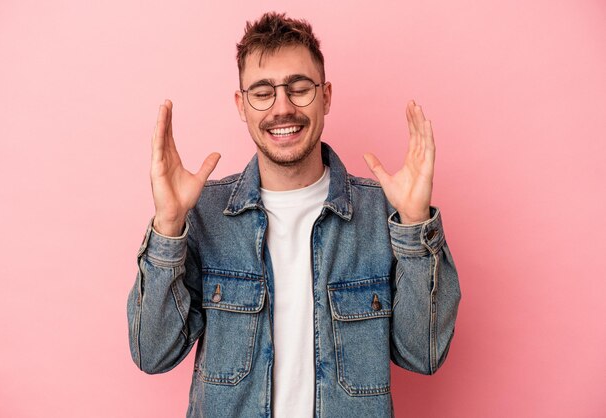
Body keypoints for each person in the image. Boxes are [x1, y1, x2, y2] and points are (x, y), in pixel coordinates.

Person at [128, 12, 461, 418]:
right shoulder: (204, 216)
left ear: (326, 96)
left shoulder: (382, 215)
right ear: (241, 104)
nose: (282, 108)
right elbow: (153, 353)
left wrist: (414, 225)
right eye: (262, 92)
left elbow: (422, 354)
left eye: (300, 87)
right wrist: (167, 226)